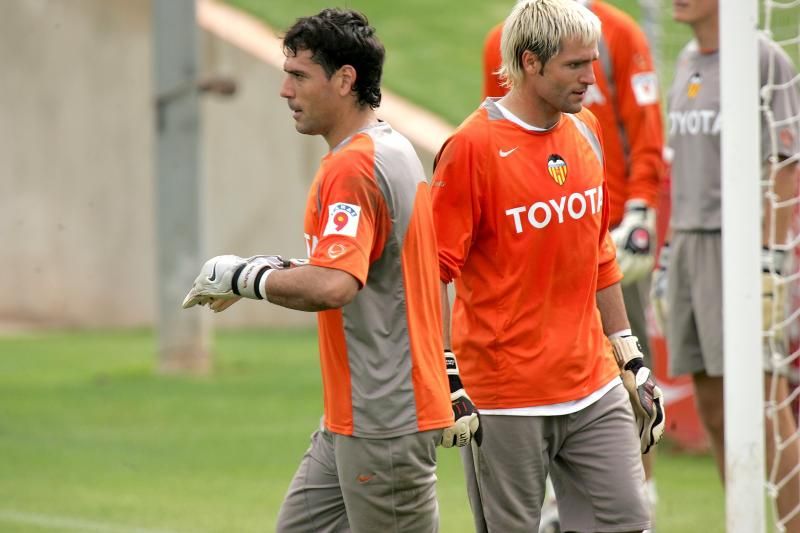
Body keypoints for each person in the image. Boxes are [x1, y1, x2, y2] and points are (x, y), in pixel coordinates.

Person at [180, 9, 472, 532]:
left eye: (298, 76)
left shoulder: (353, 166)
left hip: (384, 420)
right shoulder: (393, 149)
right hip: (354, 418)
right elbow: (383, 267)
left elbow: (336, 284)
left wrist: (244, 280)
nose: (284, 91)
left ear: (344, 79)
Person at [430, 1, 666, 531]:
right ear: (530, 62)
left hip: (593, 383)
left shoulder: (585, 131)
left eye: (593, 62)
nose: (591, 78)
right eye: (576, 66)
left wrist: (628, 354)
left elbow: (599, 252)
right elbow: (433, 273)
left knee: (629, 519)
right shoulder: (471, 148)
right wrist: (445, 369)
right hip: (506, 396)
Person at [653, 0, 800, 530]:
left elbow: (787, 163)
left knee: (765, 405)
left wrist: (770, 256)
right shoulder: (689, 60)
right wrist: (670, 252)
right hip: (688, 248)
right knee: (713, 408)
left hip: (738, 248)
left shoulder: (763, 58)